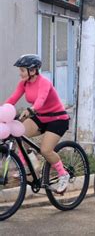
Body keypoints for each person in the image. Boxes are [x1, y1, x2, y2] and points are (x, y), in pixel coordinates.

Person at [5, 54, 70, 194]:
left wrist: (31, 109)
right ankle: (27, 166)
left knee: (46, 150)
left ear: (33, 70)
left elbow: (40, 100)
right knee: (19, 133)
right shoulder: (23, 83)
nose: (20, 73)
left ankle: (63, 174)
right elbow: (13, 99)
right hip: (41, 117)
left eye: (22, 70)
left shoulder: (44, 83)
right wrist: (3, 111)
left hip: (58, 119)